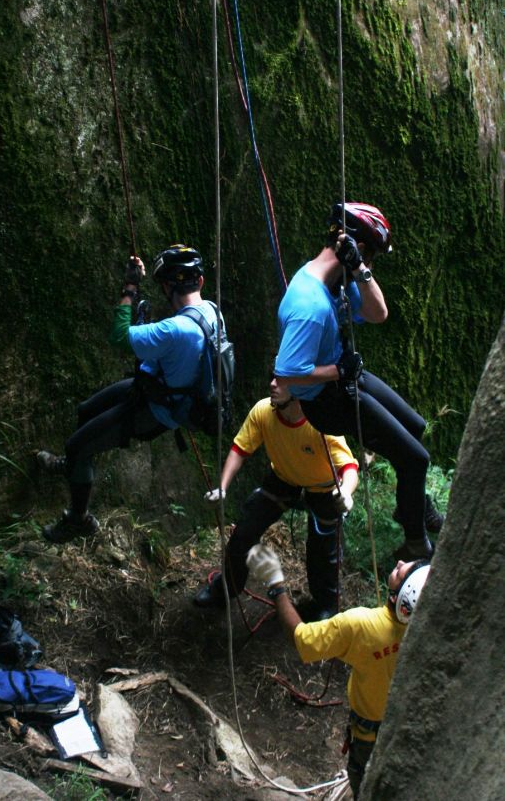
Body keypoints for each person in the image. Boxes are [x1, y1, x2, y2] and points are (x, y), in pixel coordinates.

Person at [274, 202, 443, 561]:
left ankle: (411, 506)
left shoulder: (338, 281)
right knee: (416, 460)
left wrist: (359, 268)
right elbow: (286, 374)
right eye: (372, 256)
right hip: (327, 399)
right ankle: (415, 542)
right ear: (361, 246)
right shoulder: (310, 306)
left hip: (346, 376)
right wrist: (338, 371)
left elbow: (378, 313)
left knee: (415, 427)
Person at [37, 244, 228, 542]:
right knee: (85, 410)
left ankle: (79, 519)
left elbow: (119, 334)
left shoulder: (173, 329)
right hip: (155, 388)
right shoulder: (213, 312)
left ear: (166, 286)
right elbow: (175, 351)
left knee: (77, 446)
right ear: (200, 282)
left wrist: (130, 287)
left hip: (154, 410)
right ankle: (77, 465)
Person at [246, 542, 431, 798]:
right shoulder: (427, 632)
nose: (398, 563)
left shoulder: (360, 625)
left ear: (404, 596)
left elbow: (302, 639)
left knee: (364, 784)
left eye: (402, 572)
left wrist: (276, 586)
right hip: (404, 729)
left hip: (367, 738)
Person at [194, 375, 358, 620]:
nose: (272, 384)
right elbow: (240, 449)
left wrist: (345, 492)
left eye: (281, 381)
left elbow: (349, 467)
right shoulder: (263, 411)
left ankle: (326, 606)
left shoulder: (319, 422)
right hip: (283, 478)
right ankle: (225, 589)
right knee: (244, 532)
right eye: (273, 378)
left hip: (324, 488)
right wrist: (223, 487)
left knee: (323, 551)